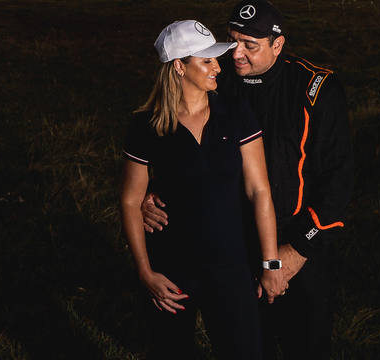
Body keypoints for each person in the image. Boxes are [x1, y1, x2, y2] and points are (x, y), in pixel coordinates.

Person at [142, 0, 354, 360]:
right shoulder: (217, 83)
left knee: (307, 345)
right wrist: (151, 190)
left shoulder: (315, 89)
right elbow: (171, 136)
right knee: (249, 346)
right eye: (231, 40)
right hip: (235, 243)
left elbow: (338, 181)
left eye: (250, 46)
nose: (236, 54)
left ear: (278, 45)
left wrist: (299, 249)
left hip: (298, 240)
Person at [120, 20, 286, 360]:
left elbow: (259, 190)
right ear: (180, 66)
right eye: (207, 61)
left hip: (231, 268)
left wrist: (270, 264)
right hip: (172, 271)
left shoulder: (236, 112)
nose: (217, 67)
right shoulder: (146, 125)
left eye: (216, 59)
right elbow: (129, 200)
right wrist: (145, 272)